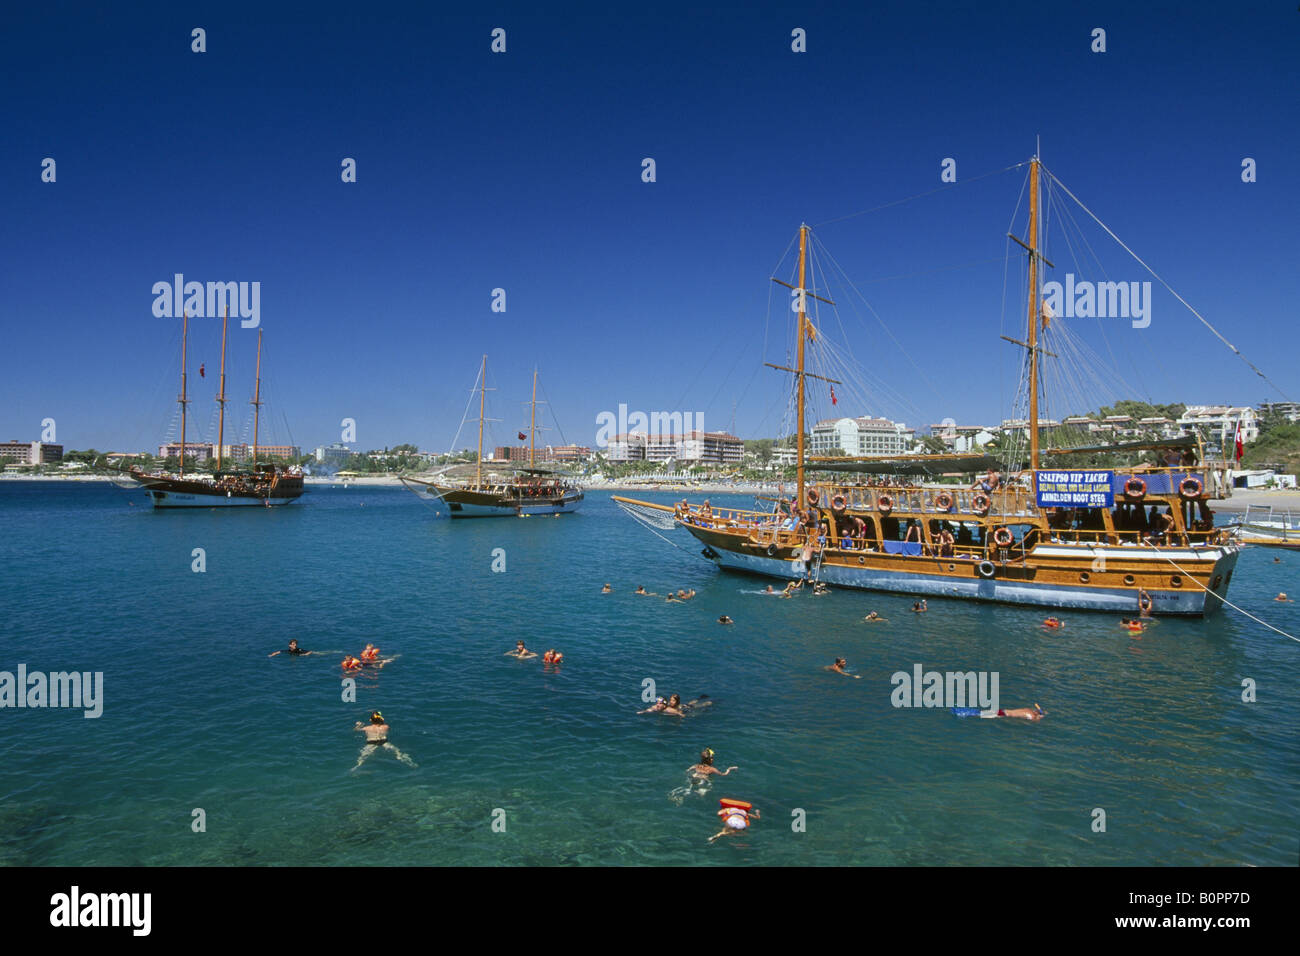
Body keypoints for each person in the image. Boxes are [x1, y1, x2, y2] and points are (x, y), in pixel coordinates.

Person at [351, 711, 416, 771]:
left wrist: (359, 725)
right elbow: (383, 726)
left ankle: (357, 766)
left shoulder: (367, 728)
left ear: (371, 720)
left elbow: (355, 730)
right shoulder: (386, 726)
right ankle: (410, 763)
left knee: (362, 756)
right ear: (381, 720)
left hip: (371, 743)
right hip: (384, 741)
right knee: (397, 752)